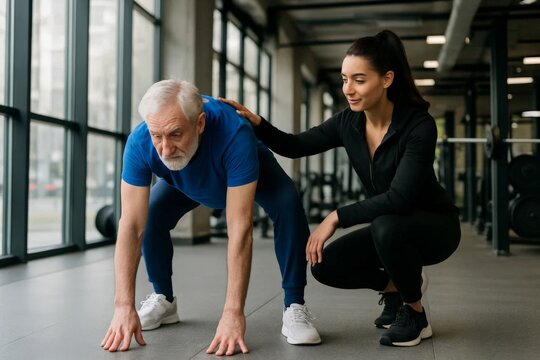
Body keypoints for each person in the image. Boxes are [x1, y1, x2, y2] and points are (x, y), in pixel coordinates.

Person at [220, 29, 461, 347]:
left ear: (386, 79)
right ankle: (395, 287)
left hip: (435, 228)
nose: (349, 89)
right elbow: (295, 146)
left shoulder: (419, 126)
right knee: (324, 265)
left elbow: (400, 197)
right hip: (387, 228)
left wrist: (335, 216)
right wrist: (257, 124)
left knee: (387, 225)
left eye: (359, 80)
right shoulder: (349, 123)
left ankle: (415, 314)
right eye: (345, 79)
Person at [100, 80, 321, 355]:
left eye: (175, 134)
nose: (165, 149)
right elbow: (131, 225)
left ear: (200, 123)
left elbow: (239, 228)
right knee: (152, 215)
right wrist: (123, 305)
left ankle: (294, 305)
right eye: (158, 136)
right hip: (185, 175)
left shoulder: (234, 133)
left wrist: (233, 312)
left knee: (289, 206)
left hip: (243, 170)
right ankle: (164, 300)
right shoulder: (141, 140)